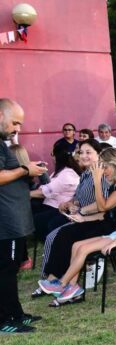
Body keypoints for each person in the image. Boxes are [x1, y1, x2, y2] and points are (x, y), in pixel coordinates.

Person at [37, 147, 116, 302]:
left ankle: (60, 282)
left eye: (105, 167)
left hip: (114, 229)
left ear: (115, 164)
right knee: (65, 234)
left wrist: (97, 181)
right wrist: (83, 217)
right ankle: (62, 283)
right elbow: (104, 213)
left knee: (69, 236)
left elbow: (104, 206)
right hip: (104, 222)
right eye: (101, 167)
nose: (103, 171)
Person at [0, 99, 48, 332]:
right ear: (0, 115)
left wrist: (27, 169)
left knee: (10, 270)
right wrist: (25, 169)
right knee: (6, 271)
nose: (18, 128)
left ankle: (15, 313)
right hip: (5, 223)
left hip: (13, 220)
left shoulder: (2, 144)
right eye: (15, 122)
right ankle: (5, 320)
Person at [30, 143, 81, 240]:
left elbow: (46, 191)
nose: (51, 158)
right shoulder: (62, 171)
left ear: (57, 156)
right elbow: (47, 187)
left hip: (58, 208)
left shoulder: (67, 173)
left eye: (52, 154)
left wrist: (27, 194)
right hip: (51, 204)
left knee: (34, 218)